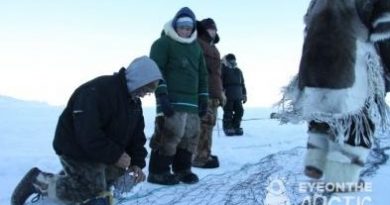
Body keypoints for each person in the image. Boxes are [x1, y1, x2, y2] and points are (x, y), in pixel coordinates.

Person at [11, 56, 163, 205]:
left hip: (101, 150)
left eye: (149, 92)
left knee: (116, 175)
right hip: (75, 147)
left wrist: (136, 163)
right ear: (137, 79)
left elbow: (136, 137)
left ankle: (72, 178)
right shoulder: (98, 91)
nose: (145, 94)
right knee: (89, 190)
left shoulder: (134, 102)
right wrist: (116, 155)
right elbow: (87, 133)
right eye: (145, 89)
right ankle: (37, 181)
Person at [147, 7, 208, 185]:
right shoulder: (163, 43)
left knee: (191, 136)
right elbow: (156, 70)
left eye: (189, 27)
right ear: (175, 25)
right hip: (171, 100)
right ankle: (158, 171)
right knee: (170, 134)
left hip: (192, 102)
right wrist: (162, 94)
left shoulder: (196, 47)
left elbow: (203, 75)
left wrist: (203, 98)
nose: (185, 30)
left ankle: (182, 170)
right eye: (182, 26)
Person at [192, 18, 225, 169]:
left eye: (215, 29)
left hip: (214, 94)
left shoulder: (214, 48)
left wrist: (221, 94)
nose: (214, 31)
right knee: (203, 125)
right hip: (204, 93)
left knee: (209, 125)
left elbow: (217, 75)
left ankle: (205, 153)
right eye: (210, 29)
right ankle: (199, 157)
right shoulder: (198, 44)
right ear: (204, 30)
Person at [221, 53, 247, 136]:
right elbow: (220, 81)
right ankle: (227, 128)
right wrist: (221, 93)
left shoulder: (238, 71)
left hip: (238, 95)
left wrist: (244, 94)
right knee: (228, 112)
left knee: (240, 111)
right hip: (227, 94)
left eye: (233, 59)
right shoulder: (223, 69)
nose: (233, 61)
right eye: (231, 60)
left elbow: (242, 83)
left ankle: (236, 127)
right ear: (227, 60)